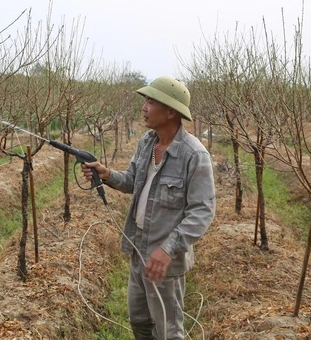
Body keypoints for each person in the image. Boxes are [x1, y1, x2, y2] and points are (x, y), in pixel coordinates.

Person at [82, 76, 216, 340]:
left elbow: (202, 212)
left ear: (170, 112)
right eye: (145, 101)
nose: (143, 107)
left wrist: (167, 250)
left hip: (164, 261)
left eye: (151, 102)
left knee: (168, 331)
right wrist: (107, 174)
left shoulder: (194, 155)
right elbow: (134, 180)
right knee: (139, 321)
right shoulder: (146, 142)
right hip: (138, 248)